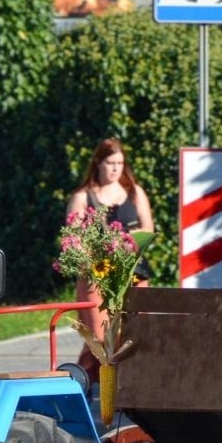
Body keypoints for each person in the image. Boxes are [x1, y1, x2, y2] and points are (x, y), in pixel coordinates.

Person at [67, 139, 154, 375]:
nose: (116, 169)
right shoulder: (83, 197)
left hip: (133, 271)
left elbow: (148, 229)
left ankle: (113, 380)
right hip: (97, 273)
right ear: (98, 163)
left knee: (134, 332)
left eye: (120, 163)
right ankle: (90, 378)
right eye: (110, 163)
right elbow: (73, 238)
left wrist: (125, 242)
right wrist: (97, 253)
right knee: (99, 336)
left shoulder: (135, 192)